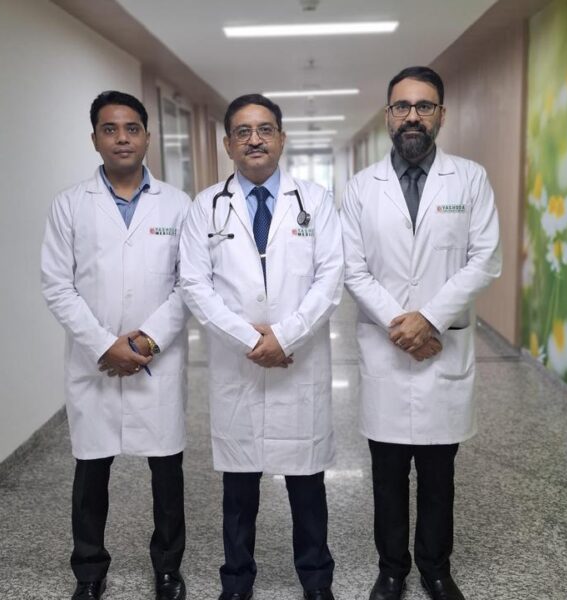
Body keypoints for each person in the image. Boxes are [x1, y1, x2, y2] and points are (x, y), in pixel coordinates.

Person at [341, 67, 502, 600]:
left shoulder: (470, 179)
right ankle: (392, 569)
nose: (413, 116)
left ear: (441, 115)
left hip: (442, 346)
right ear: (388, 115)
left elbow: (485, 259)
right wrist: (405, 325)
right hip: (387, 351)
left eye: (424, 106)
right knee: (387, 475)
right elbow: (353, 269)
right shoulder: (361, 188)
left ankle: (435, 567)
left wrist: (428, 319)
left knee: (438, 475)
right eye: (402, 106)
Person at [179, 93, 343, 600]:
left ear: (281, 139)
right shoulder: (205, 206)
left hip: (299, 359)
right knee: (238, 487)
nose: (255, 139)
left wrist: (286, 335)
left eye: (265, 129)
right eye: (243, 131)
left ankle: (316, 579)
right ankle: (237, 580)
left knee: (307, 484)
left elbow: (330, 278)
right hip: (239, 363)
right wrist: (253, 340)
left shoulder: (315, 201)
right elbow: (194, 284)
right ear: (227, 143)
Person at [41, 91, 191, 600]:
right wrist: (105, 345)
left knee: (166, 474)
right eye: (110, 129)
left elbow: (190, 283)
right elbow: (57, 285)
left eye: (131, 128)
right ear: (95, 139)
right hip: (96, 363)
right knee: (91, 472)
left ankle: (168, 569)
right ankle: (89, 572)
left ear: (147, 137)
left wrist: (148, 338)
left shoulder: (177, 204)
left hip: (157, 358)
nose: (122, 138)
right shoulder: (69, 205)